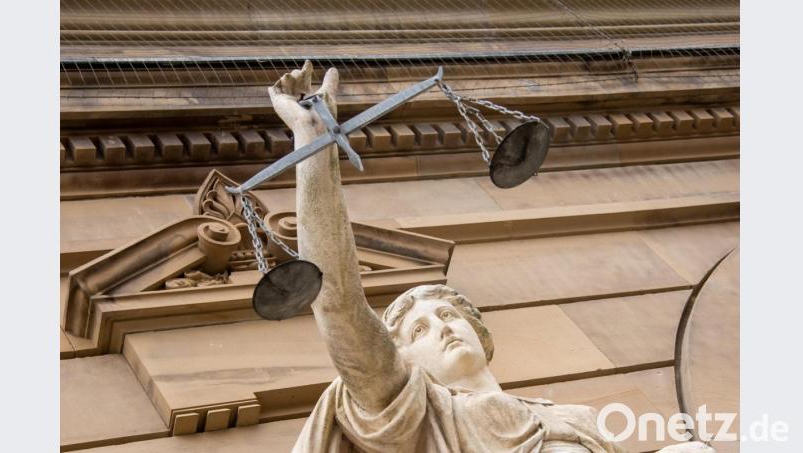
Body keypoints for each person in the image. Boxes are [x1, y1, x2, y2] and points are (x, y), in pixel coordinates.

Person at [268, 61, 713, 453]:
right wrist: (313, 140)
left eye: (447, 315)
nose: (443, 328)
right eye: (420, 329)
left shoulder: (577, 419)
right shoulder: (418, 411)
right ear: (401, 356)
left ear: (481, 332)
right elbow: (338, 303)